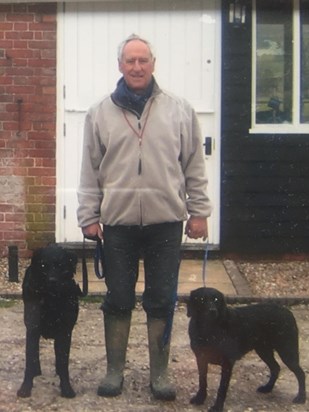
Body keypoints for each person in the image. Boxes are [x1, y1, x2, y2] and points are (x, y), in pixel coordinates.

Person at [77, 34, 212, 401]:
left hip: (165, 224)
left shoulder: (179, 109)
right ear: (120, 65)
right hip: (117, 226)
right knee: (118, 299)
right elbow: (90, 170)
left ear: (153, 64)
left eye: (143, 60)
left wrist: (199, 211)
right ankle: (113, 371)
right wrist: (89, 215)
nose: (137, 67)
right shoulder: (99, 112)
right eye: (130, 61)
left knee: (161, 299)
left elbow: (194, 166)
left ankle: (161, 373)